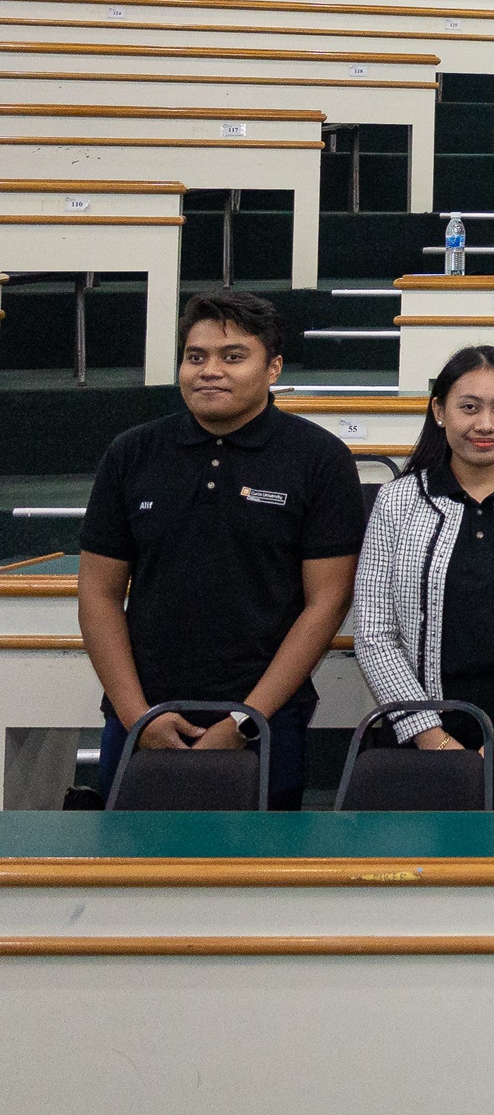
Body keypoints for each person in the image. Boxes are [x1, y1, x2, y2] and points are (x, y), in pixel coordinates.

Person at [79, 291, 364, 811]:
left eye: (233, 357)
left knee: (259, 862)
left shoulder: (320, 458)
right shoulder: (131, 452)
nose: (210, 371)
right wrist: (137, 715)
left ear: (273, 368)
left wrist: (244, 720)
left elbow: (327, 602)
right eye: (196, 356)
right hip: (140, 717)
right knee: (127, 861)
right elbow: (98, 593)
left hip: (266, 721)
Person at [353, 346, 494, 809]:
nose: (486, 424)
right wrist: (433, 739)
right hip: (417, 732)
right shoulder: (396, 501)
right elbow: (374, 632)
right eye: (469, 407)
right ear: (439, 411)